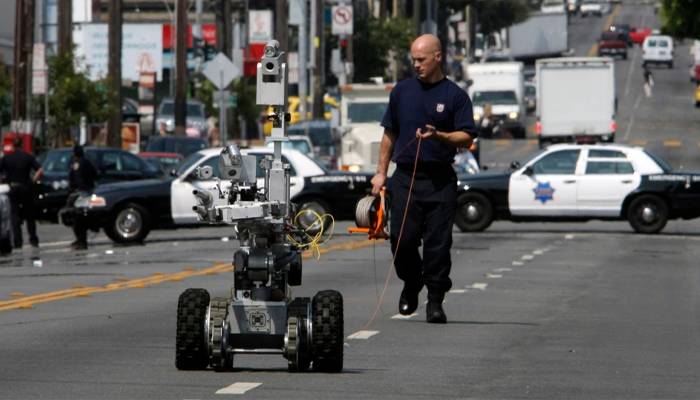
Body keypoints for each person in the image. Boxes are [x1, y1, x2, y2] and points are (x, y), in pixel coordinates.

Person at [371, 34, 477, 324]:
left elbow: (467, 136)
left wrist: (440, 135)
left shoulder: (455, 96)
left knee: (437, 245)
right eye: (413, 60)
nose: (416, 65)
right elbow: (389, 135)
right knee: (402, 241)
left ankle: (435, 299)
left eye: (421, 59)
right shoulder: (402, 92)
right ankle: (412, 281)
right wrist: (381, 173)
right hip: (405, 178)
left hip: (440, 180)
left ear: (438, 57)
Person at [0, 137, 43, 248]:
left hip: (13, 188)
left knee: (14, 215)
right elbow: (40, 170)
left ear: (13, 146)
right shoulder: (28, 156)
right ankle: (33, 239)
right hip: (26, 187)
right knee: (30, 215)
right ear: (21, 145)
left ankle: (18, 241)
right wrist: (33, 180)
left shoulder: (7, 158)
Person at [67, 145, 97, 250]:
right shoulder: (87, 162)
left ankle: (81, 240)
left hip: (78, 192)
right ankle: (81, 240)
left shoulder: (75, 163)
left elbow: (71, 178)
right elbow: (95, 174)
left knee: (76, 218)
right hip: (87, 191)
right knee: (81, 217)